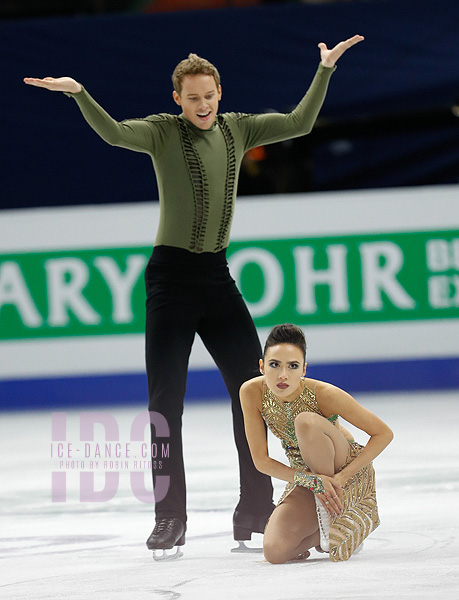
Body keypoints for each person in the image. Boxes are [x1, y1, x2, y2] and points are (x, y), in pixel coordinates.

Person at [24, 34, 364, 559]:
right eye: (192, 98)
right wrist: (79, 93)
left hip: (216, 279)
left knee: (255, 394)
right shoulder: (162, 133)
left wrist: (324, 70)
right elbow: (114, 134)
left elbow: (299, 123)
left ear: (219, 94)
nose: (202, 106)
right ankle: (169, 518)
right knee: (165, 405)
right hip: (169, 283)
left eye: (209, 96)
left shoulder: (239, 128)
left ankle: (255, 507)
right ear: (177, 100)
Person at [240, 323, 393, 563]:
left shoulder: (324, 393)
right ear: (261, 366)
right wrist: (309, 481)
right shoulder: (251, 392)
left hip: (343, 472)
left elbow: (383, 433)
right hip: (309, 478)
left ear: (304, 369)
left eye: (292, 366)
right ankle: (331, 528)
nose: (283, 375)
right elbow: (261, 461)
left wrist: (342, 477)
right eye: (274, 365)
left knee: (306, 423)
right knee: (275, 552)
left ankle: (332, 513)